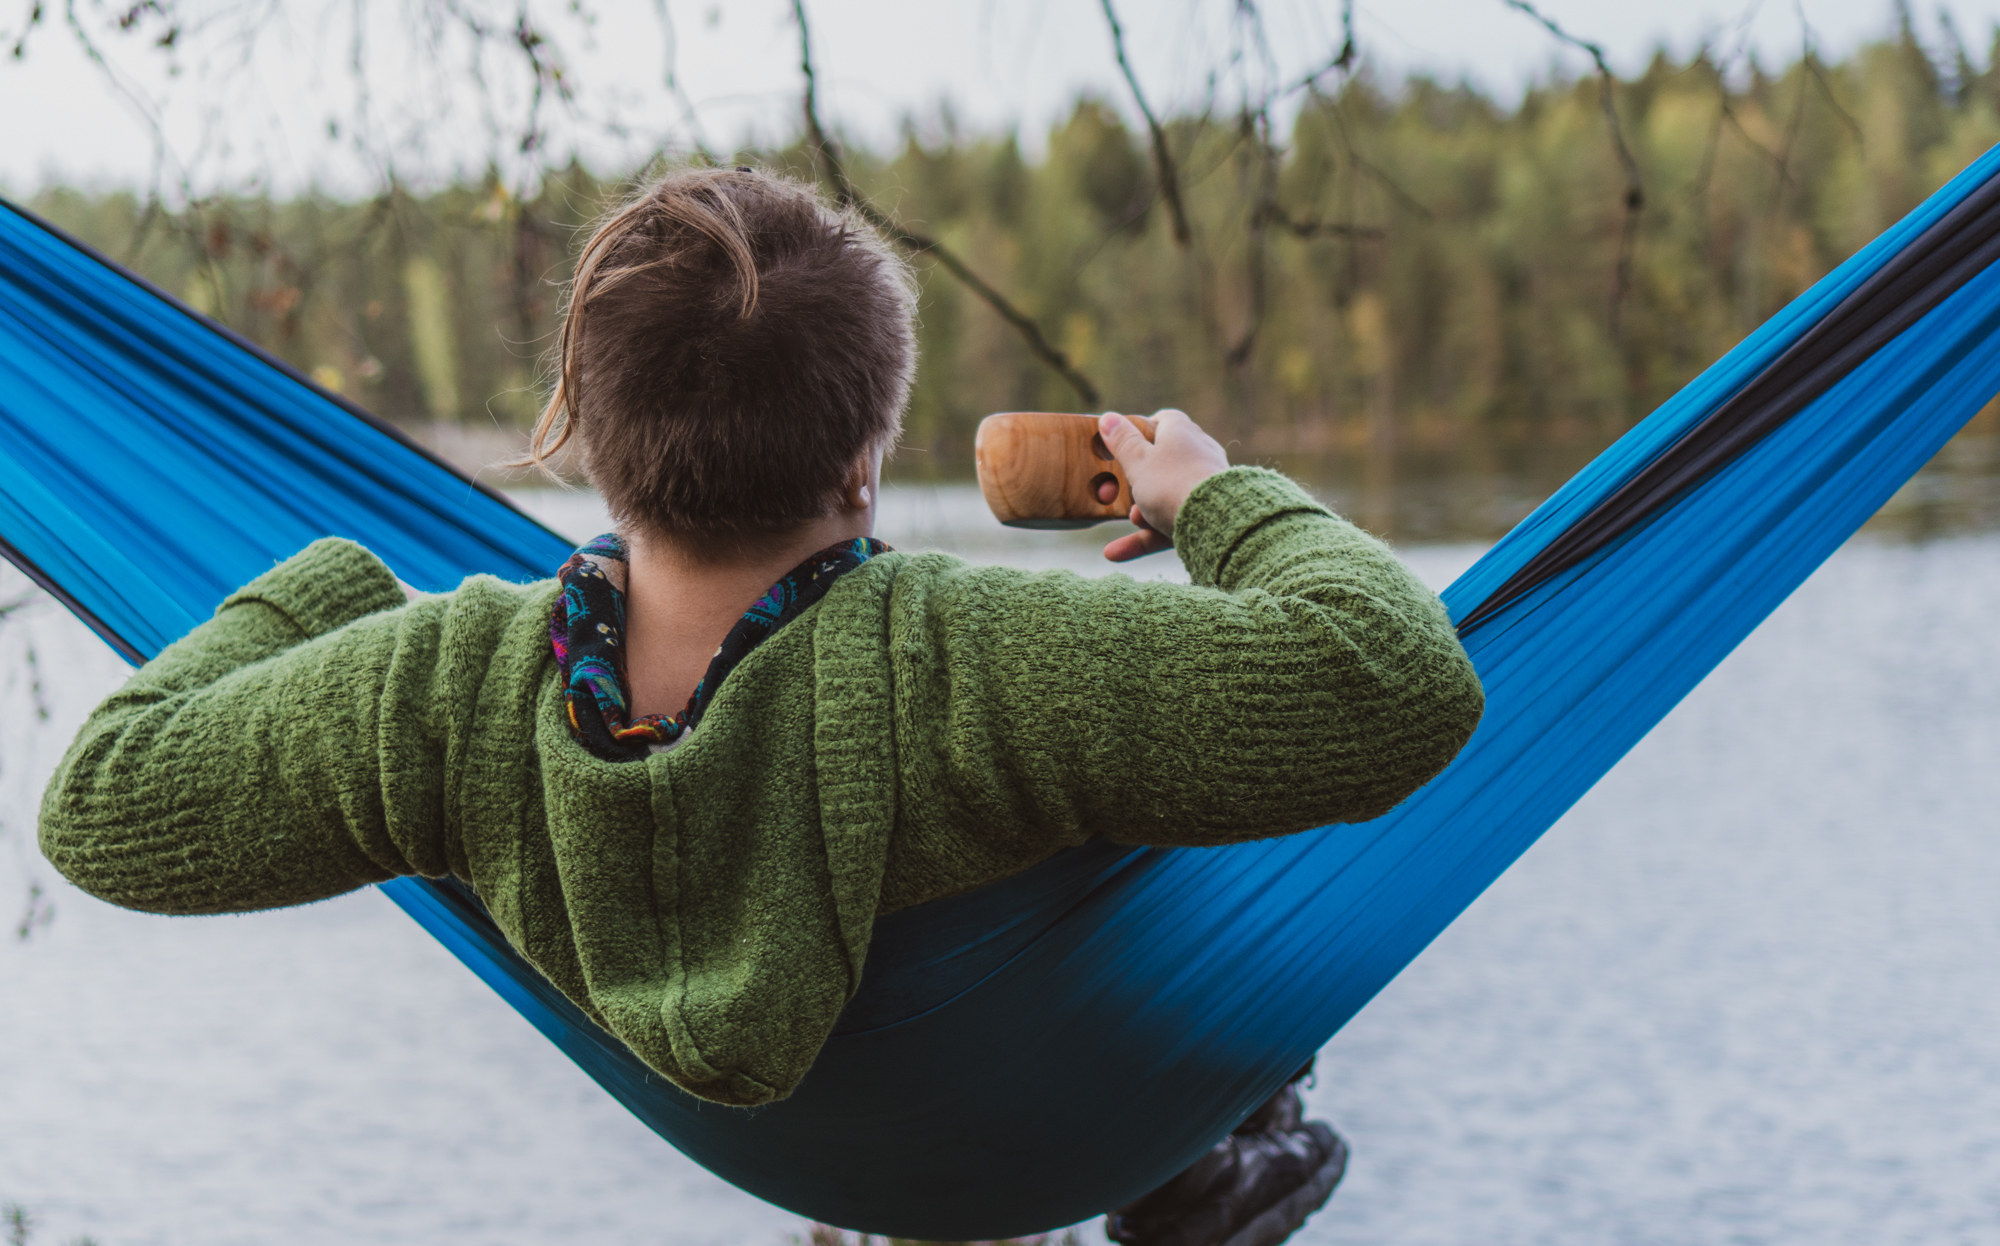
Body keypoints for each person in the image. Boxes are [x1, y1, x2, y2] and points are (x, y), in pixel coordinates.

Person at [37, 166, 1483, 1246]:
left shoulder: (439, 693)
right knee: (1166, 788)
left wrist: (332, 587)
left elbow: (103, 802)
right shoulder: (966, 656)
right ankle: (1209, 1159)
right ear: (862, 468)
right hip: (1057, 1123)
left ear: (589, 442)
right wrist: (1210, 495)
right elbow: (1394, 677)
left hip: (794, 1152)